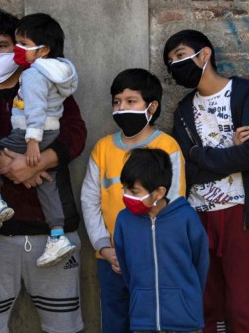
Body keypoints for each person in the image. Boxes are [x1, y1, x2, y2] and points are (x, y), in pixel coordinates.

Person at [0, 9, 86, 333]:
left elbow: (75, 132)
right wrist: (12, 167)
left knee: (64, 325)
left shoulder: (51, 83)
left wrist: (42, 161)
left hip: (53, 229)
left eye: (2, 45)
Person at [163, 30, 249, 333]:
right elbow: (187, 166)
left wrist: (202, 154)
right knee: (206, 302)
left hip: (241, 212)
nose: (175, 63)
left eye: (180, 54)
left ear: (204, 54)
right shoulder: (184, 111)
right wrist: (228, 152)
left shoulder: (243, 94)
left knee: (243, 305)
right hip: (197, 214)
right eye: (170, 60)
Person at [80, 68, 186, 333]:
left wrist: (150, 251)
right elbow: (89, 200)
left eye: (131, 101)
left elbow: (173, 204)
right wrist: (104, 247)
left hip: (153, 261)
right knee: (114, 323)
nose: (121, 108)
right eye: (117, 102)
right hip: (111, 261)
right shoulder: (102, 148)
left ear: (151, 107)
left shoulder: (167, 146)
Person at [0, 12, 78, 268]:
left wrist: (31, 143)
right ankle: (58, 235)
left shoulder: (33, 75)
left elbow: (35, 110)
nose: (17, 50)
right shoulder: (57, 72)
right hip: (52, 131)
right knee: (47, 183)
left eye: (23, 45)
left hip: (33, 131)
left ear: (43, 50)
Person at [114, 148, 209, 333]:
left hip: (185, 321)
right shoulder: (124, 221)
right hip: (143, 322)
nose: (126, 196)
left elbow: (201, 264)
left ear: (159, 192)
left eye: (134, 191)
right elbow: (126, 269)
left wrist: (187, 298)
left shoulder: (186, 217)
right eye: (124, 188)